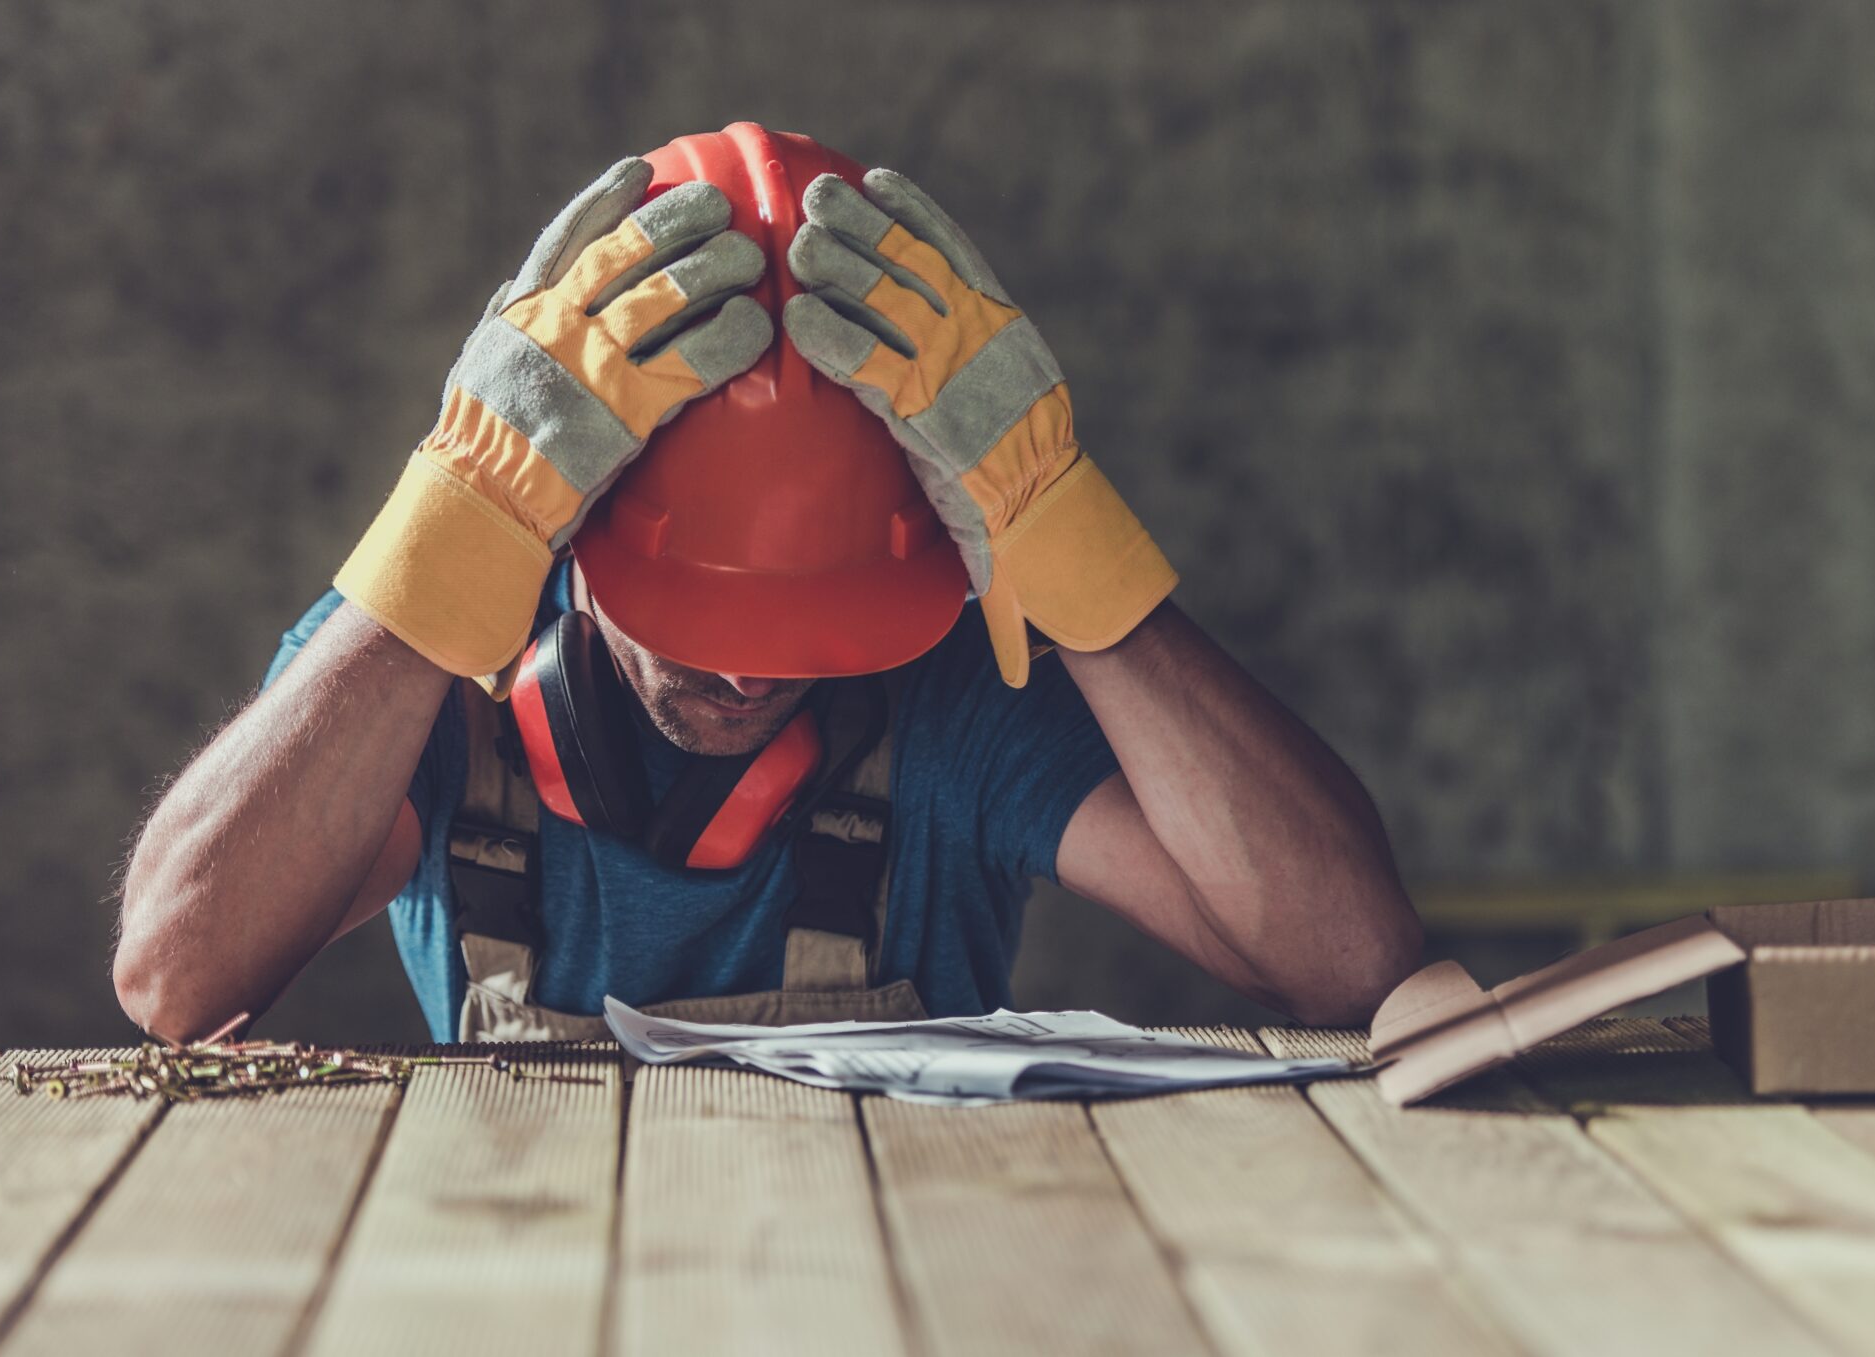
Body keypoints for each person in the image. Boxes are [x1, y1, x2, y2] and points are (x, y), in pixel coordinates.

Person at [113, 125, 1421, 1044]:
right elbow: (175, 972)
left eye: (802, 621)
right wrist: (456, 513)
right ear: (566, 515)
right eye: (701, 611)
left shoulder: (956, 708)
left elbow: (1349, 959)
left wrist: (1056, 526)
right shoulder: (420, 689)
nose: (745, 669)